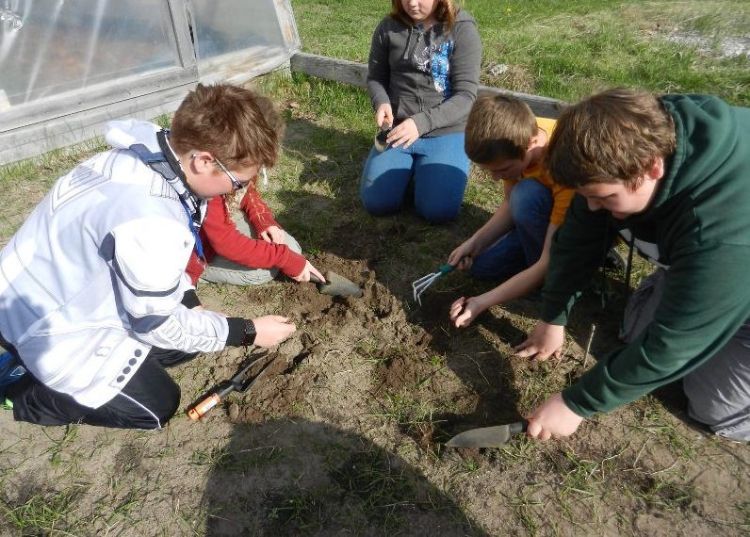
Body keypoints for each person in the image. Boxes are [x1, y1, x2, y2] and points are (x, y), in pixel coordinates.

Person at [0, 83, 298, 429]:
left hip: (41, 288)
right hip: (48, 327)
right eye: (238, 182)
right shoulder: (152, 222)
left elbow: (159, 273)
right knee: (157, 405)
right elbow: (158, 323)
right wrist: (247, 331)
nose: (240, 190)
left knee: (194, 335)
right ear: (203, 161)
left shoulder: (150, 154)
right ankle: (21, 389)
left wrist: (188, 299)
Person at [515, 88, 750, 442]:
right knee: (634, 336)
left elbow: (674, 344)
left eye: (605, 197)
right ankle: (691, 289)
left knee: (714, 408)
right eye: (587, 196)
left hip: (733, 261)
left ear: (652, 167)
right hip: (710, 265)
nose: (593, 208)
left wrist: (578, 403)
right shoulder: (619, 151)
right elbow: (576, 244)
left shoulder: (719, 232)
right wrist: (553, 318)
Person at [447, 94, 575, 327]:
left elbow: (547, 256)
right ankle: (529, 266)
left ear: (532, 143)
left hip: (571, 227)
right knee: (480, 267)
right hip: (540, 217)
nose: (496, 178)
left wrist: (482, 302)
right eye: (490, 172)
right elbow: (510, 206)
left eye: (503, 169)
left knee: (526, 194)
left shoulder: (562, 163)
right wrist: (474, 243)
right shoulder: (510, 139)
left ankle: (548, 281)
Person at [359, 0, 482, 223]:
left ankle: (435, 169)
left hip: (447, 129)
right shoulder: (388, 26)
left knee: (438, 211)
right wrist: (382, 102)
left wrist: (421, 123)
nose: (412, 4)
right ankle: (410, 172)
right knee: (377, 203)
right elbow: (376, 77)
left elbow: (466, 96)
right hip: (399, 128)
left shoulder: (462, 28)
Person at [184, 94, 324, 287]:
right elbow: (225, 241)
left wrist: (263, 221)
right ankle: (199, 270)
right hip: (193, 246)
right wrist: (283, 259)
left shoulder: (232, 160)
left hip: (220, 220)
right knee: (262, 273)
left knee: (290, 248)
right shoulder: (205, 182)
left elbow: (246, 191)